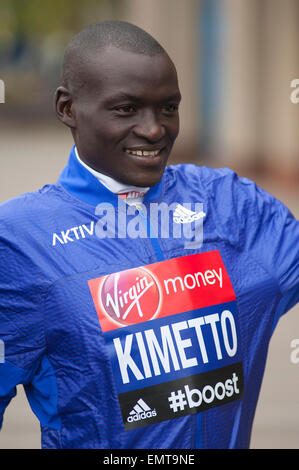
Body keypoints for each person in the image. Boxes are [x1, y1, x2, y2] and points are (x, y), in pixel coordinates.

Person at [0, 21, 298, 450]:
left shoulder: (231, 206)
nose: (155, 129)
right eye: (126, 109)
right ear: (68, 108)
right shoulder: (21, 243)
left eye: (168, 107)